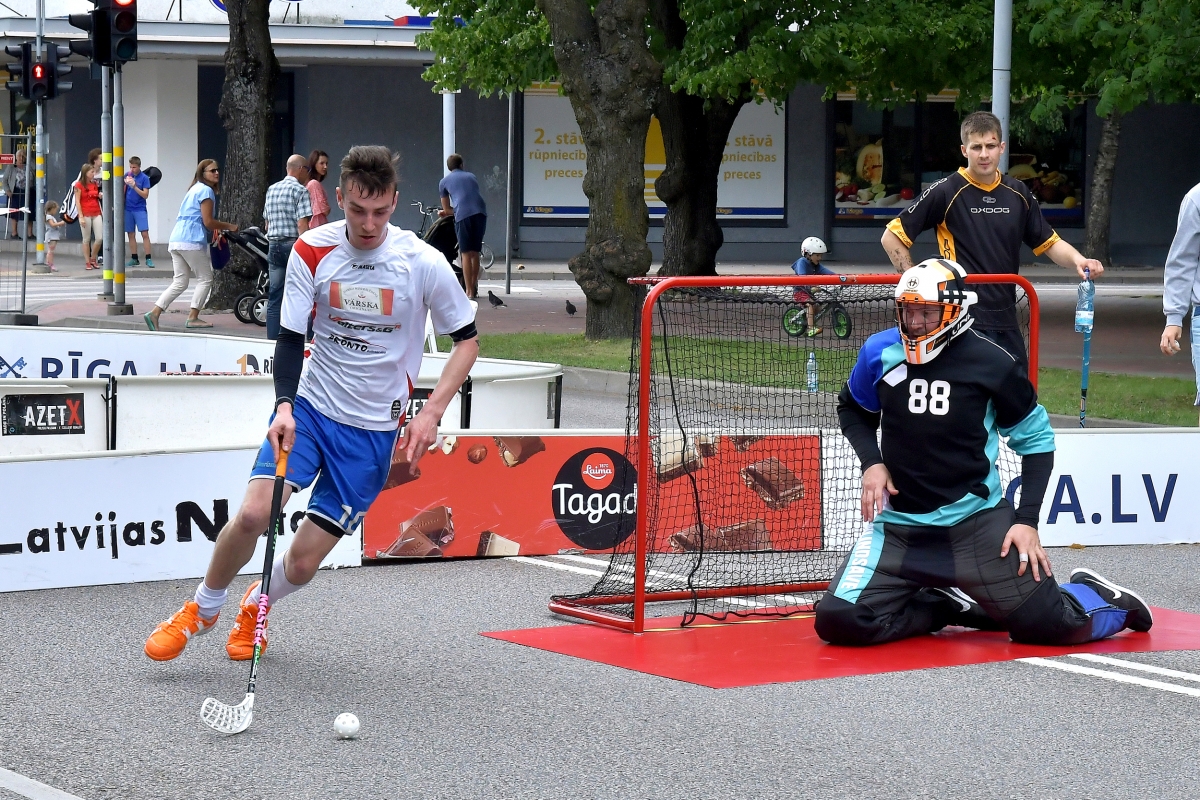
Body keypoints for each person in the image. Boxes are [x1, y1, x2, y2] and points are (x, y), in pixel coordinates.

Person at [142, 145, 479, 664]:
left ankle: (257, 603)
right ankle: (203, 609)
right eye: (358, 210)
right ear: (339, 198)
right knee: (254, 513)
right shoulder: (312, 249)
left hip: (371, 433)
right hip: (311, 412)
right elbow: (290, 337)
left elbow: (467, 342)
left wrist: (431, 411)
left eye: (381, 211)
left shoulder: (422, 261)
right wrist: (284, 406)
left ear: (394, 201)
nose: (369, 224)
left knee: (301, 564)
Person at [815, 257, 1153, 647]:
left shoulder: (994, 362)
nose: (915, 322)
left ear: (955, 310)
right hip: (899, 530)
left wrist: (1027, 522)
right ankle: (943, 604)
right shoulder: (880, 351)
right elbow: (853, 408)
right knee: (839, 620)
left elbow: (1038, 443)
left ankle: (1095, 595)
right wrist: (872, 463)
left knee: (1047, 626)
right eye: (908, 310)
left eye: (927, 312)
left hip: (975, 527)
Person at [880, 111, 1102, 370]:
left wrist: (1079, 260)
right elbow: (891, 237)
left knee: (1018, 392)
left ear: (1002, 148)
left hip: (1006, 318)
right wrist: (915, 283)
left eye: (990, 146)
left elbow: (1050, 242)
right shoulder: (946, 190)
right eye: (976, 147)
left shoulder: (1018, 193)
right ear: (964, 150)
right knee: (969, 394)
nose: (984, 154)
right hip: (959, 319)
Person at [143, 160, 238, 331]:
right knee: (206, 278)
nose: (217, 173)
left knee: (180, 281)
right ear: (203, 173)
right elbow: (208, 222)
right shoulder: (206, 191)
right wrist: (228, 226)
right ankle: (193, 317)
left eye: (217, 170)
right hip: (191, 240)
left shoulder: (193, 189)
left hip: (176, 238)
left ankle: (154, 313)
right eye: (212, 171)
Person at [263, 154, 314, 339]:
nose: (308, 173)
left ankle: (272, 340)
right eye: (307, 169)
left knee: (275, 295)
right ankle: (305, 337)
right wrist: (308, 249)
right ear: (300, 169)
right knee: (303, 292)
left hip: (273, 245)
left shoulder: (271, 189)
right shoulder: (300, 191)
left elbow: (267, 224)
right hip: (293, 245)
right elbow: (302, 225)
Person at [439, 153, 487, 300]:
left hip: (463, 216)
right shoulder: (472, 177)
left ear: (449, 168)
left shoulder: (444, 182)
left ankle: (468, 292)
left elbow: (447, 210)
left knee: (465, 253)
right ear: (461, 165)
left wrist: (444, 212)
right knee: (475, 252)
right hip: (481, 212)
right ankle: (473, 286)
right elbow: (470, 196)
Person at [791, 236, 835, 336]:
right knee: (811, 304)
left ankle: (808, 321)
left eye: (821, 255)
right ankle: (810, 329)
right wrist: (811, 287)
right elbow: (802, 278)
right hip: (800, 292)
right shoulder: (801, 262)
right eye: (817, 255)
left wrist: (841, 278)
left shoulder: (816, 265)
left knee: (818, 308)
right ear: (808, 254)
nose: (820, 258)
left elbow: (827, 272)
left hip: (809, 292)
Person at [124, 156, 154, 268]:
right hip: (128, 208)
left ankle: (148, 258)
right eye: (131, 167)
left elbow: (145, 195)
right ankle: (134, 258)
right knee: (130, 233)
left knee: (144, 233)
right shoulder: (127, 175)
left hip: (140, 208)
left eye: (134, 167)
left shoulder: (144, 178)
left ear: (139, 166)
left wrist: (134, 186)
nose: (132, 169)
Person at [73, 165, 102, 270]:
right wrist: (80, 216)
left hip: (96, 212)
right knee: (86, 239)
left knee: (99, 238)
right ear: (85, 173)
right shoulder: (78, 185)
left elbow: (95, 195)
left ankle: (93, 258)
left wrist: (99, 195)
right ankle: (87, 261)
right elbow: (77, 201)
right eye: (91, 172)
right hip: (85, 213)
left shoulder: (94, 184)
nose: (93, 174)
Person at [3, 147, 30, 240]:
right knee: (14, 213)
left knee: (28, 212)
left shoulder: (28, 167)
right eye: (19, 156)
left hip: (26, 192)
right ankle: (14, 233)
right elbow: (4, 180)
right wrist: (7, 191)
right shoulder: (11, 167)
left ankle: (29, 233)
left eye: (23, 156)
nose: (21, 158)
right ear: (16, 157)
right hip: (14, 192)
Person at [306, 149, 331, 228]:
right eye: (321, 163)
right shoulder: (314, 184)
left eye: (326, 163)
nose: (325, 167)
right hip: (317, 224)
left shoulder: (312, 183)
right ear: (314, 164)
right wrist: (328, 207)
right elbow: (325, 210)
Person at [44, 200, 65, 272]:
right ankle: (50, 263)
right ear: (52, 209)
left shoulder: (50, 217)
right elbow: (52, 224)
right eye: (55, 210)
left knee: (51, 250)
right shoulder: (49, 217)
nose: (56, 211)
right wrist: (60, 223)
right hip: (51, 236)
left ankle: (49, 263)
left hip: (54, 235)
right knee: (51, 251)